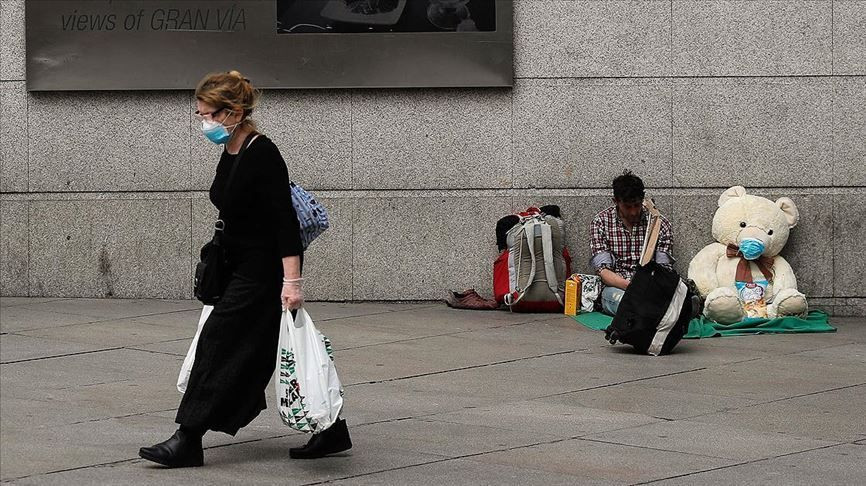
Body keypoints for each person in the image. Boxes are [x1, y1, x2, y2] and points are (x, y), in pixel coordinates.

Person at [139, 71, 351, 468]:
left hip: (261, 273)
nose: (203, 123)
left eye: (208, 116)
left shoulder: (262, 153)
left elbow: (284, 223)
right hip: (237, 267)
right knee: (267, 352)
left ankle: (188, 438)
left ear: (232, 112)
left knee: (218, 345)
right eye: (199, 115)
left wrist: (292, 282)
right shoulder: (232, 148)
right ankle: (332, 430)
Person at [589, 170, 674, 316]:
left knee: (672, 295)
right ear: (615, 201)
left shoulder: (659, 224)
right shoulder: (600, 222)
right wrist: (630, 286)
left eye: (637, 205)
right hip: (617, 287)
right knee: (625, 302)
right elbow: (603, 271)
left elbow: (664, 269)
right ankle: (659, 313)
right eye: (628, 207)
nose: (634, 212)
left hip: (651, 286)